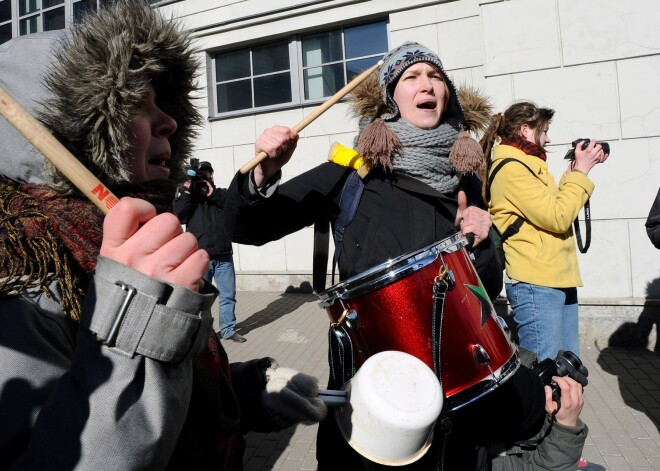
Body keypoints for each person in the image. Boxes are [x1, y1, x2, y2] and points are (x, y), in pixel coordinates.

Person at [225, 41, 586, 470]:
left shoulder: (466, 174)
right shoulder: (355, 172)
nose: (426, 84)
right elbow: (249, 227)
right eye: (411, 77)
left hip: (458, 396)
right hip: (374, 396)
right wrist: (265, 172)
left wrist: (484, 244)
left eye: (434, 76)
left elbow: (483, 289)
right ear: (390, 98)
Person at [0, 2, 326, 470]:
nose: (169, 120)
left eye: (163, 103)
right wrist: (143, 322)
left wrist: (246, 394)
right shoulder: (21, 272)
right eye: (135, 102)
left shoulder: (135, 231)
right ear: (68, 128)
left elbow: (172, 400)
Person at [480, 101, 608, 471]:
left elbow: (553, 213)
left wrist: (572, 175)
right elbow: (557, 215)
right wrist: (580, 173)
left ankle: (562, 454)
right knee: (544, 383)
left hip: (557, 278)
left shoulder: (532, 167)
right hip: (536, 283)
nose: (549, 139)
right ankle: (536, 460)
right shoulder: (510, 168)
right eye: (544, 131)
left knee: (568, 375)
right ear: (525, 131)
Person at [174, 161, 244, 343]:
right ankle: (204, 335)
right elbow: (178, 216)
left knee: (228, 296)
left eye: (209, 173)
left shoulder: (220, 194)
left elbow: (234, 205)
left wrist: (213, 194)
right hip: (200, 256)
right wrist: (188, 192)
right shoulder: (189, 197)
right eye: (203, 174)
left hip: (223, 255)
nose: (206, 177)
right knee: (200, 299)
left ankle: (229, 330)